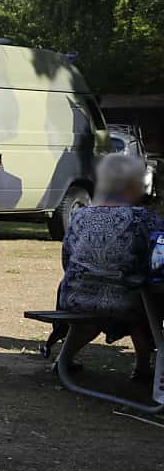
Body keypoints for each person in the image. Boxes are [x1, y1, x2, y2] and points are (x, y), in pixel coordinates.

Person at [53, 152, 164, 383]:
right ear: (133, 185)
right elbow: (157, 261)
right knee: (145, 303)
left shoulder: (80, 216)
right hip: (127, 300)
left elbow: (67, 259)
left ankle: (63, 360)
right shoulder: (143, 218)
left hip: (76, 297)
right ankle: (143, 366)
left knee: (93, 316)